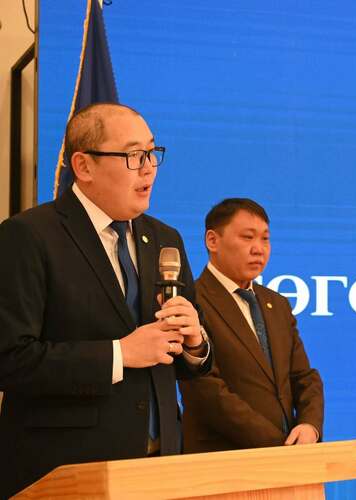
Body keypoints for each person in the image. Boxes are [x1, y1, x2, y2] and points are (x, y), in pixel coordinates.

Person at [0, 103, 212, 497]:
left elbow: (182, 364)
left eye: (152, 152)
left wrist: (196, 342)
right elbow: (10, 359)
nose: (149, 168)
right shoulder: (29, 236)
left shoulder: (164, 239)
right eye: (134, 155)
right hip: (66, 470)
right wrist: (119, 354)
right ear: (84, 166)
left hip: (160, 466)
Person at [179, 198, 323, 452]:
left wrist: (309, 426)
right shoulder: (190, 302)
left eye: (265, 239)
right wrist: (278, 444)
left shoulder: (277, 304)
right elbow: (206, 390)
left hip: (289, 458)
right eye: (247, 237)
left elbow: (303, 377)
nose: (259, 249)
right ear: (212, 241)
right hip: (223, 458)